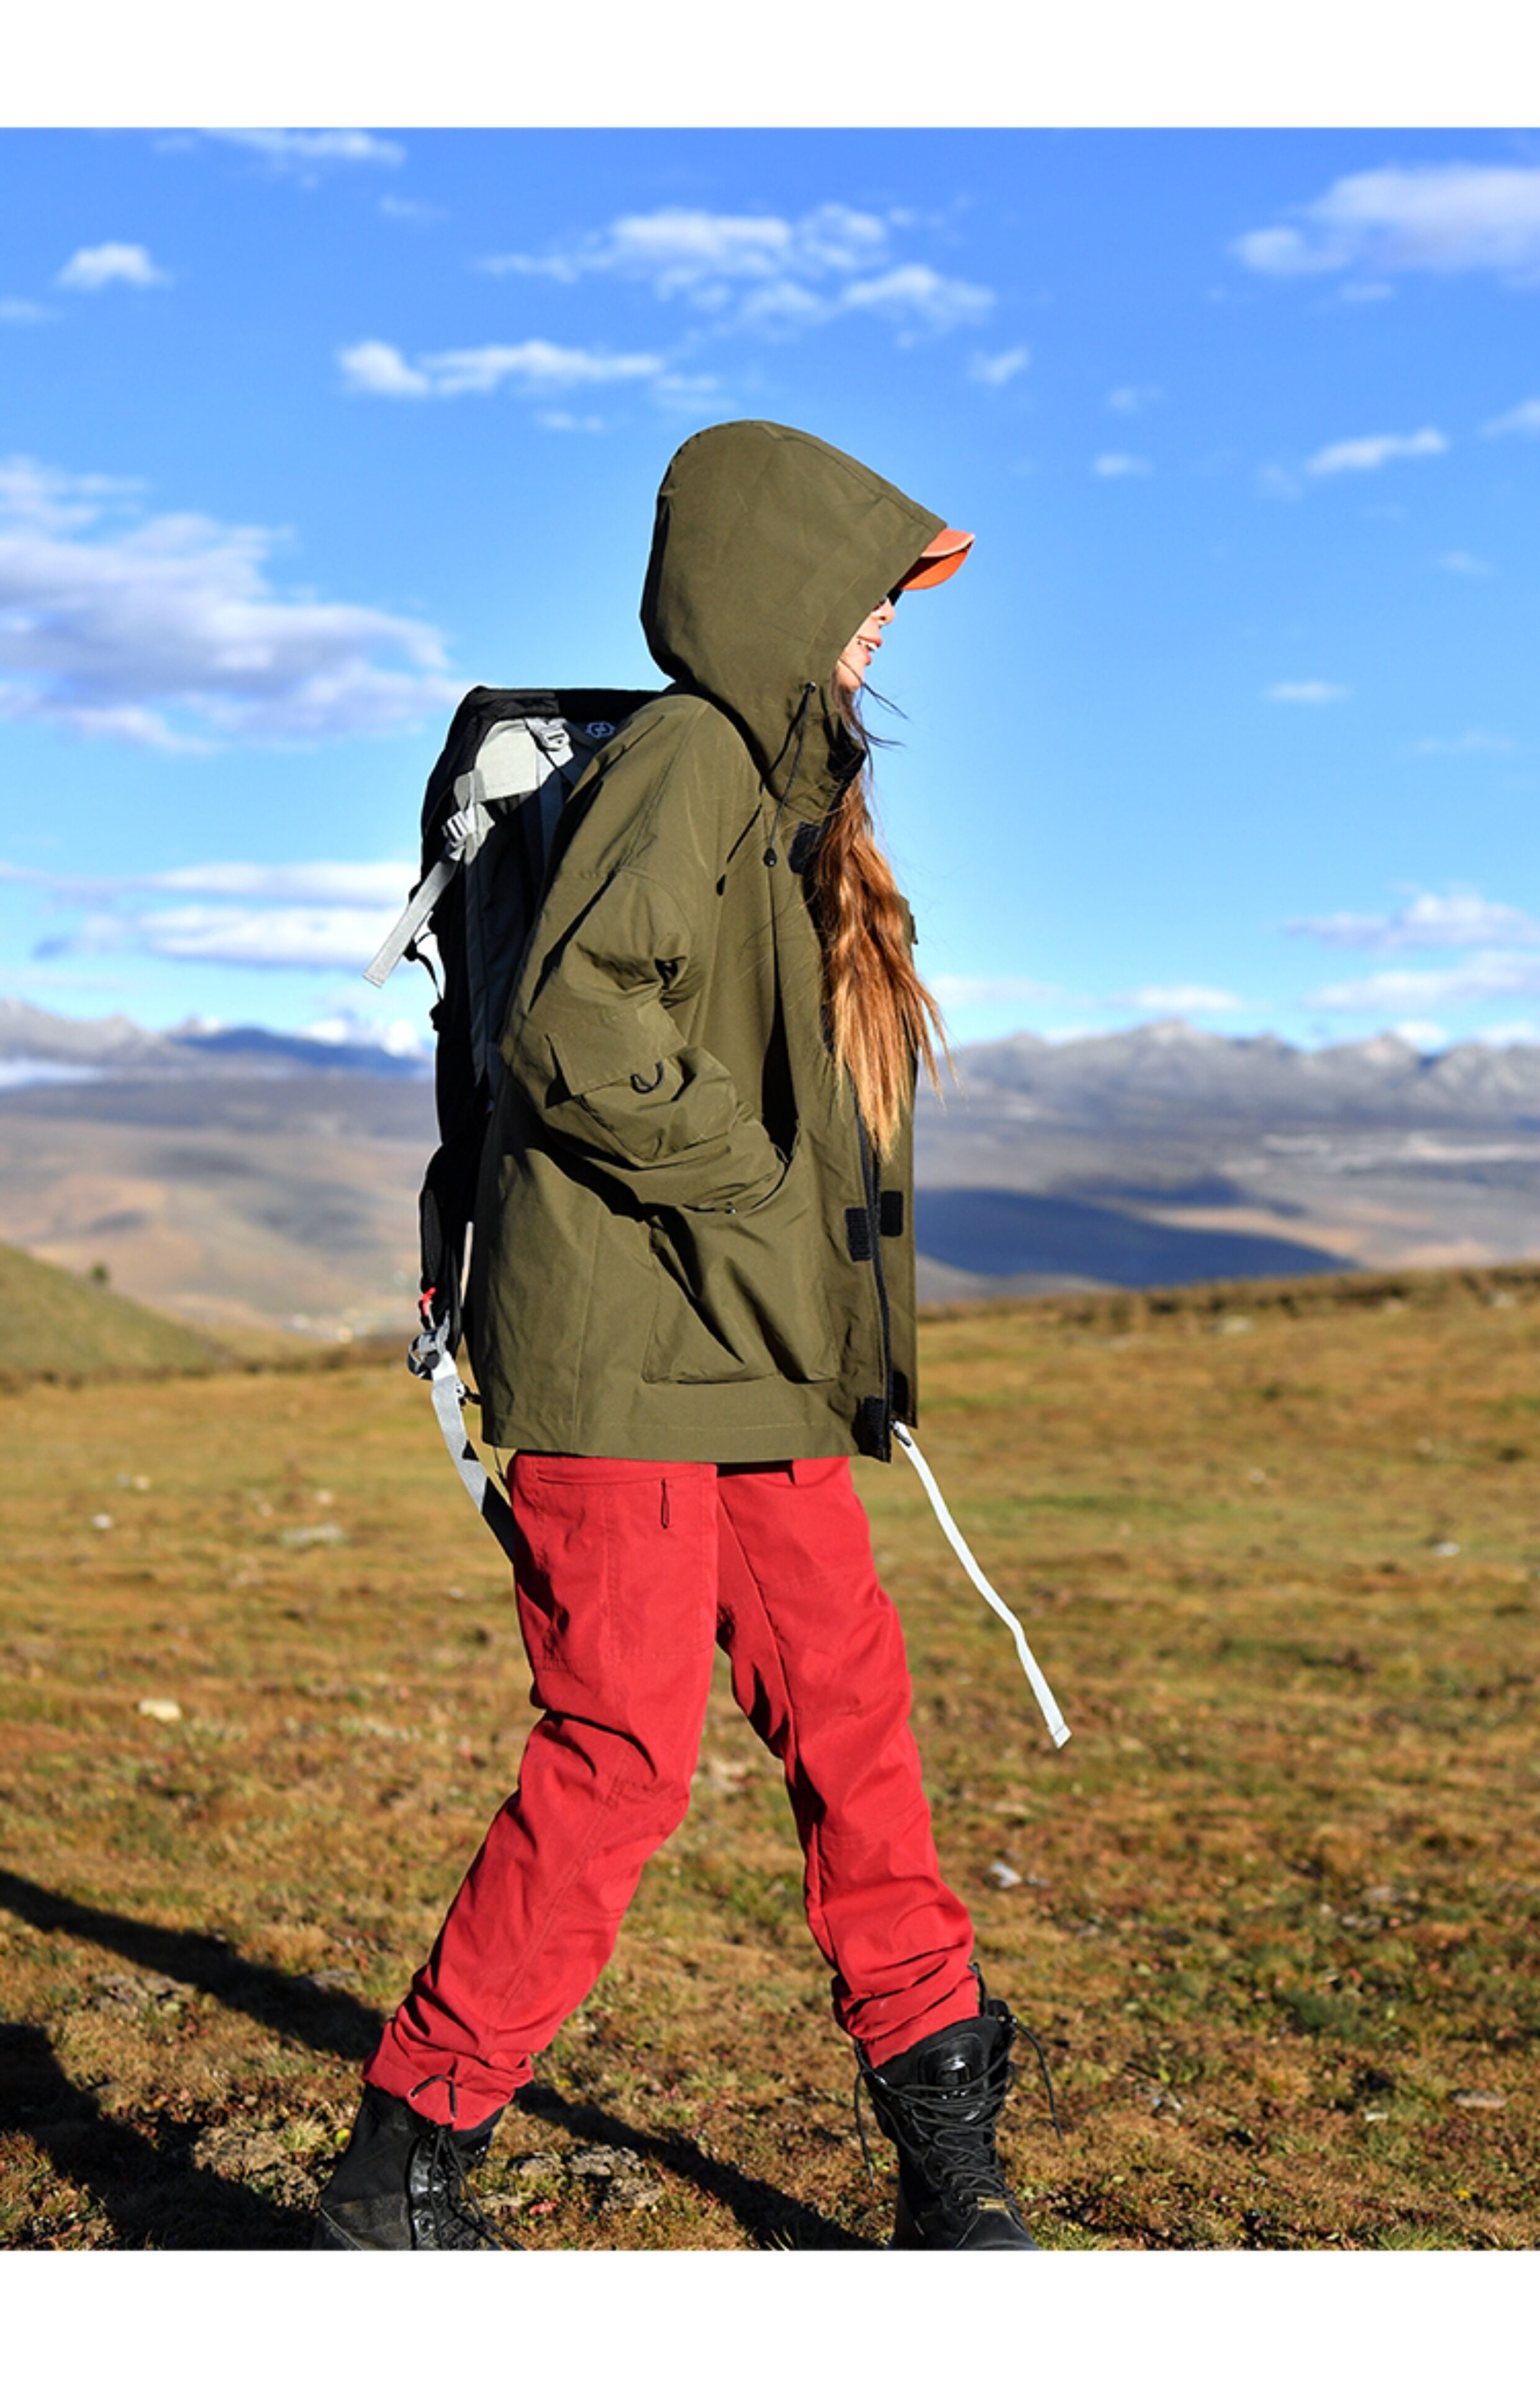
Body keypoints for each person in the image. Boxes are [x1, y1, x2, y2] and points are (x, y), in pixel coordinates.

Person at [315, 419, 1041, 2252]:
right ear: (779, 583)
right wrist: (754, 1180)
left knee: (856, 1724)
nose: (884, 623)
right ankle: (406, 2163)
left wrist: (784, 1252)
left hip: (745, 1367)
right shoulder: (697, 760)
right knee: (622, 1755)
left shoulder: (785, 790)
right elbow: (573, 1025)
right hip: (621, 1363)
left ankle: (948, 2148)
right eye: (868, 588)